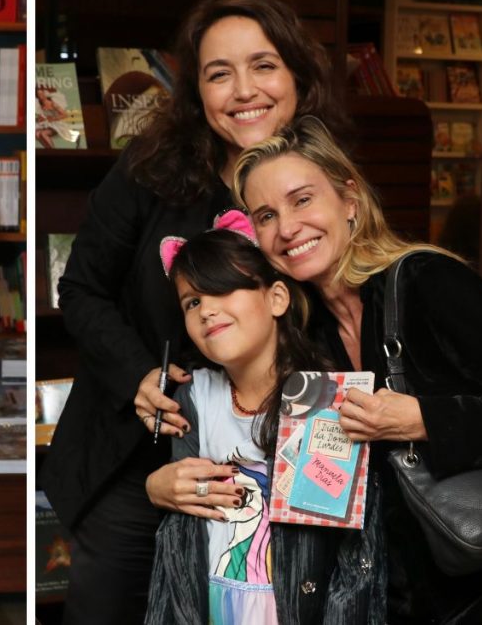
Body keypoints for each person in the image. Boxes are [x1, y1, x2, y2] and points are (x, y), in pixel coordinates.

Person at [38, 0, 349, 624]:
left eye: (263, 65)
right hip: (138, 454)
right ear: (196, 91)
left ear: (297, 74)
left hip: (271, 464)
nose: (244, 91)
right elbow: (81, 288)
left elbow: (343, 317)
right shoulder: (151, 169)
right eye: (218, 73)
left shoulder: (324, 181)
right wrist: (138, 375)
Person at [233, 115, 482, 622]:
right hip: (397, 599)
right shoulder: (309, 332)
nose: (287, 228)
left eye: (302, 199)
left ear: (349, 201)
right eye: (265, 215)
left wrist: (423, 420)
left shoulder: (426, 283)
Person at [142, 222, 347, 624]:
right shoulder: (193, 397)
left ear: (276, 298)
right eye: (192, 303)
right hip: (215, 603)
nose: (207, 310)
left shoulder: (323, 399)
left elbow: (339, 550)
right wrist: (159, 485)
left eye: (223, 289)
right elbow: (184, 528)